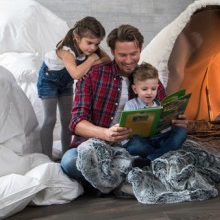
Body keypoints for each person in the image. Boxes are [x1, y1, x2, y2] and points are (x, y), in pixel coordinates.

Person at [60, 24, 188, 184]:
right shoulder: (92, 75)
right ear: (112, 52)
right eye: (122, 55)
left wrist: (177, 119)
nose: (129, 61)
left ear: (140, 49)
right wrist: (106, 134)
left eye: (134, 54)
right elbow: (76, 123)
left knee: (180, 133)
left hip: (138, 144)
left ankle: (133, 169)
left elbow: (163, 110)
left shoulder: (147, 77)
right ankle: (141, 170)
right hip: (99, 143)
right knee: (70, 162)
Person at [37, 16, 109, 160]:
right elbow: (76, 74)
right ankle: (45, 157)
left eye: (97, 44)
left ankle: (65, 155)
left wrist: (90, 61)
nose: (93, 48)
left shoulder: (89, 47)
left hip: (66, 83)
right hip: (49, 80)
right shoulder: (65, 51)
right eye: (89, 43)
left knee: (67, 120)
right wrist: (91, 59)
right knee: (50, 119)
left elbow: (107, 60)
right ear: (77, 37)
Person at [122, 62, 187, 164]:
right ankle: (162, 155)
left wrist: (171, 121)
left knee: (181, 131)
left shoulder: (160, 105)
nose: (149, 92)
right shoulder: (131, 105)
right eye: (144, 89)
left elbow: (165, 129)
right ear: (135, 89)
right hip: (141, 141)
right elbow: (126, 130)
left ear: (157, 87)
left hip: (158, 139)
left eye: (153, 89)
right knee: (135, 145)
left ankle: (151, 159)